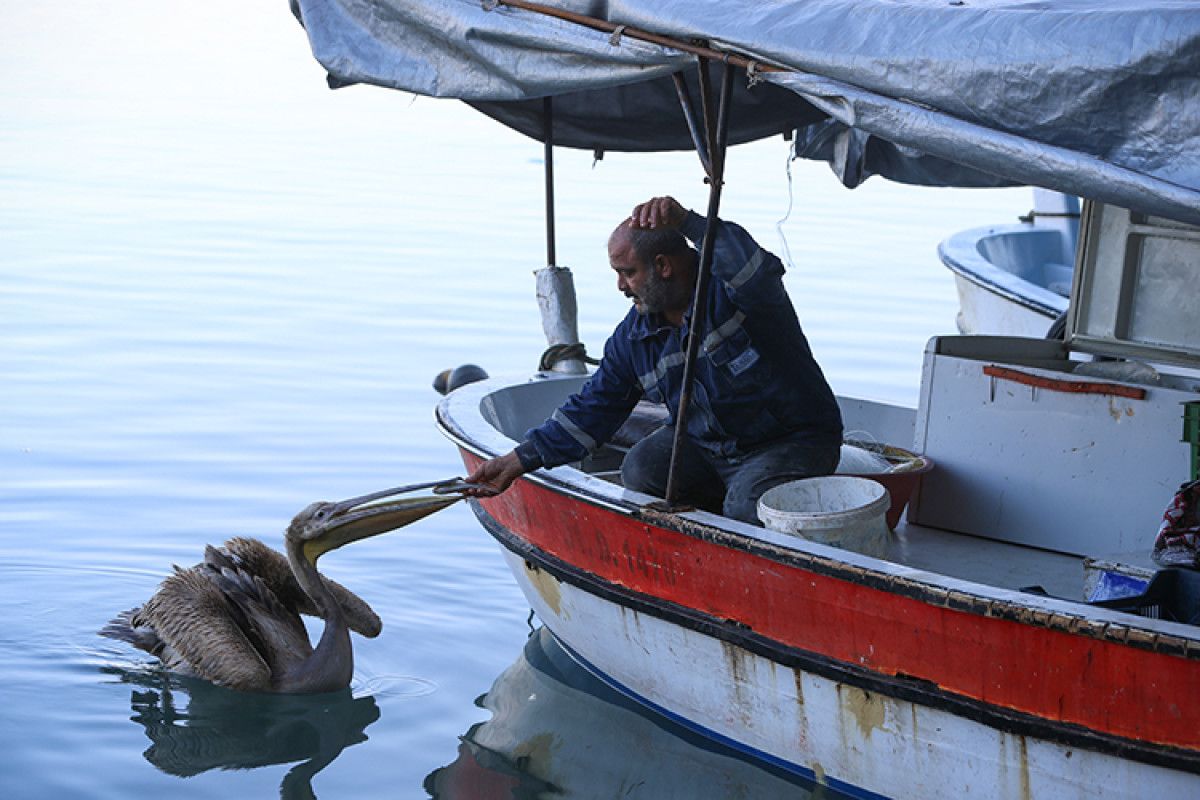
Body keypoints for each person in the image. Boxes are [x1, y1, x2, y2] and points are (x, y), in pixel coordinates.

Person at [465, 196, 842, 524]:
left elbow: (756, 272)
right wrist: (516, 462)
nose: (620, 286)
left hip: (791, 442)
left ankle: (739, 520)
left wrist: (690, 223)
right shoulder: (633, 339)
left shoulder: (735, 293)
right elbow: (592, 410)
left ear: (663, 266)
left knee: (745, 506)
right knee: (642, 467)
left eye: (627, 273)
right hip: (710, 447)